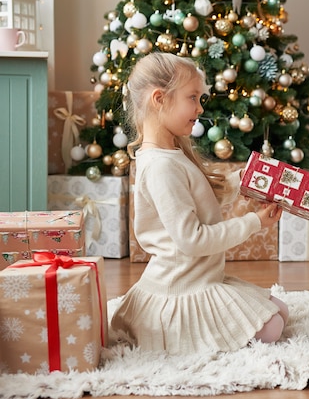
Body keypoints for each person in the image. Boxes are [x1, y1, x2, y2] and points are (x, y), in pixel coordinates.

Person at [110, 52, 288, 354]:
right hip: (183, 287)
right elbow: (192, 240)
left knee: (280, 313)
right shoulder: (161, 167)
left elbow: (202, 197)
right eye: (192, 97)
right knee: (273, 327)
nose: (199, 107)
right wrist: (254, 223)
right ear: (159, 99)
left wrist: (241, 180)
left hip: (203, 276)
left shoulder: (171, 154)